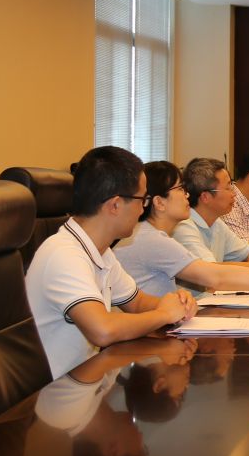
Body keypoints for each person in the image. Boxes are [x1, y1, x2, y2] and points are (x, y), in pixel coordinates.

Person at [26, 146, 197, 379]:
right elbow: (102, 330)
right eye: (142, 199)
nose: (143, 209)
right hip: (59, 392)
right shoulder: (64, 255)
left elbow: (137, 303)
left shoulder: (101, 251)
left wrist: (177, 304)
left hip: (88, 380)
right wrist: (164, 315)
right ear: (115, 205)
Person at [118, 160, 249, 300]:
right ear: (159, 202)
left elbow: (240, 258)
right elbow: (215, 276)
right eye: (180, 189)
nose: (187, 195)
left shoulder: (154, 234)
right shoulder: (152, 238)